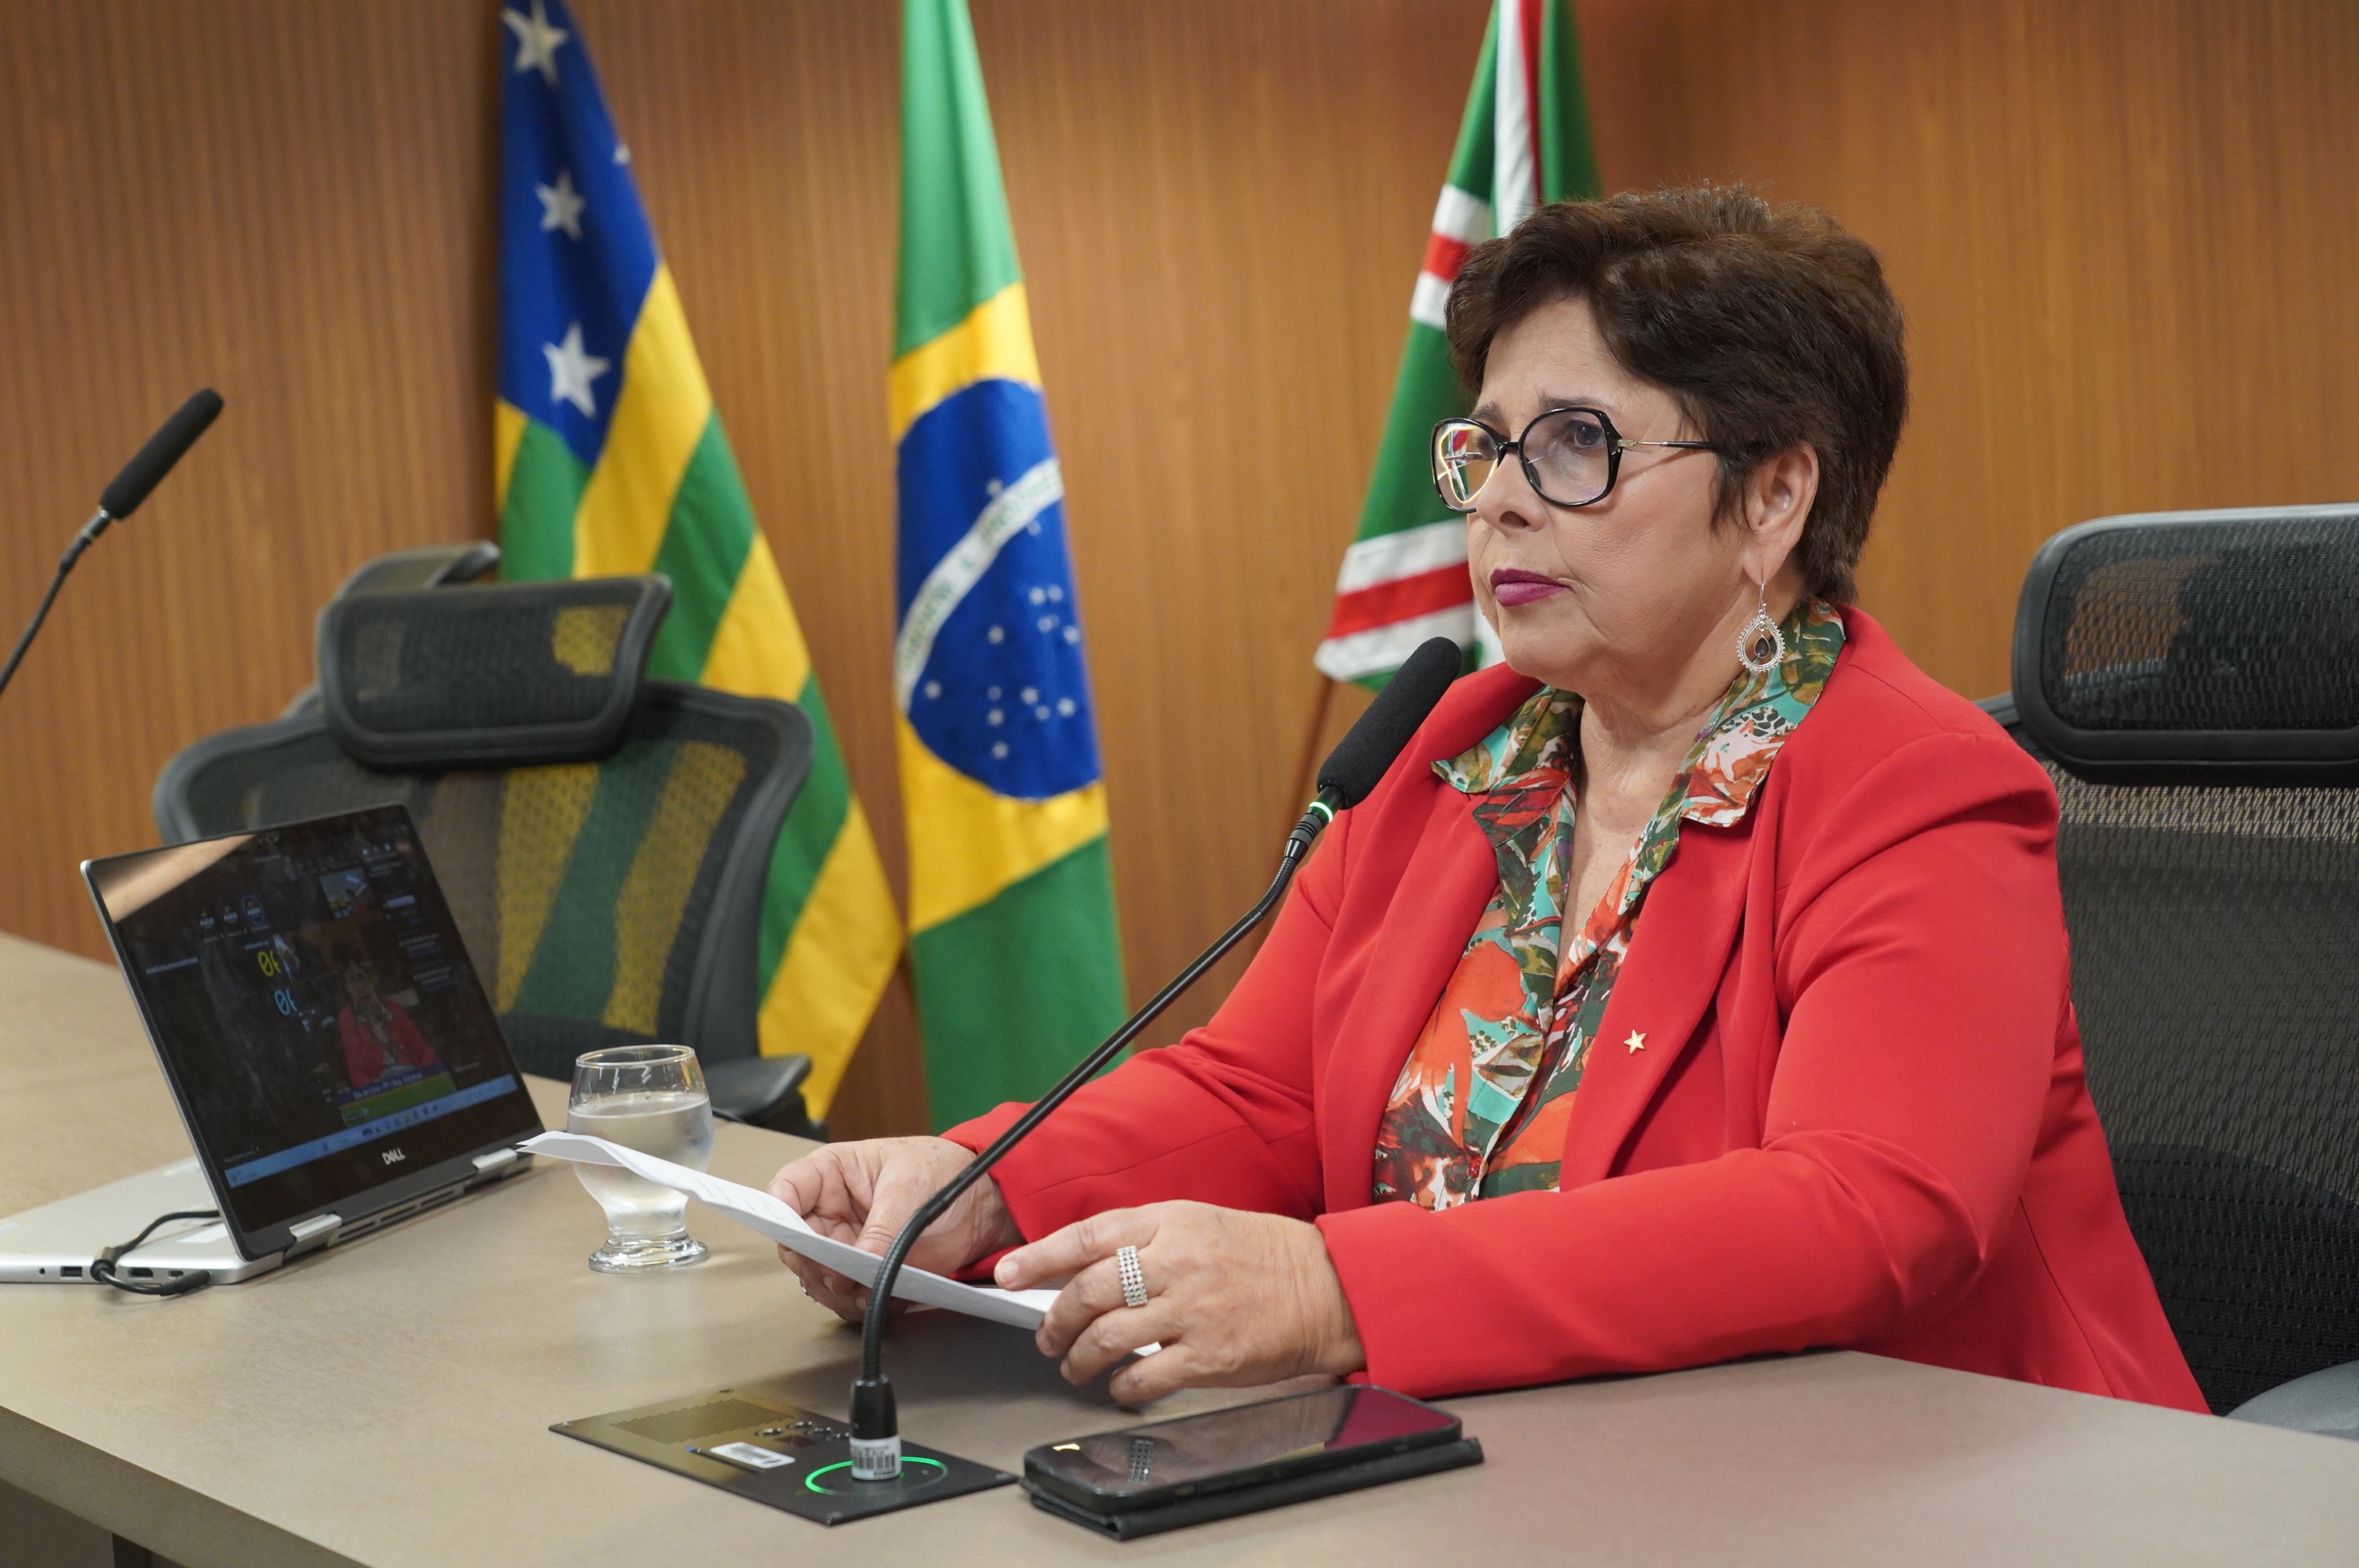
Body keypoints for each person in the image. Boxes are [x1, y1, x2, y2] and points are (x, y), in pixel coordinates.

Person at [771, 187, 2206, 1414]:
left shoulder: (1918, 789)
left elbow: (1870, 1207)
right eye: (1492, 447)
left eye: (1576, 445)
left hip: (1932, 1482)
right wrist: (986, 1186)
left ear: (1774, 497)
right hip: (1534, 1468)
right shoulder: (1457, 755)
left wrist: (1338, 1288)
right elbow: (1260, 1094)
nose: (1501, 501)